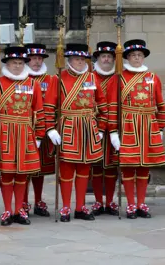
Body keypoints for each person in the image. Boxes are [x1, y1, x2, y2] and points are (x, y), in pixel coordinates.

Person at [44, 43, 107, 222]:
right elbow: (48, 107)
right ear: (69, 60)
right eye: (76, 59)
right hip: (67, 127)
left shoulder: (92, 78)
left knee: (84, 169)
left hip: (88, 127)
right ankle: (65, 207)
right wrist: (50, 129)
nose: (79, 62)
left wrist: (101, 128)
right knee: (66, 169)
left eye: (82, 59)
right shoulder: (57, 79)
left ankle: (80, 207)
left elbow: (103, 105)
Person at [0, 46, 44, 225]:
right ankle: (7, 210)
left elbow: (38, 110)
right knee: (8, 173)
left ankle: (19, 210)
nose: (17, 66)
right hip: (5, 133)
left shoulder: (33, 84)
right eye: (13, 63)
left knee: (22, 174)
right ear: (7, 64)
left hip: (25, 132)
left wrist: (39, 134)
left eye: (20, 62)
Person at [107, 39, 165, 219]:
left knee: (144, 167)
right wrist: (112, 131)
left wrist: (161, 126)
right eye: (133, 55)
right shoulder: (118, 78)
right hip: (128, 126)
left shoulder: (152, 77)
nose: (136, 58)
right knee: (128, 166)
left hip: (148, 125)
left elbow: (160, 104)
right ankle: (131, 205)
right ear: (127, 57)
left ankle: (142, 203)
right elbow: (112, 107)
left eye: (139, 55)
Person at [21, 43, 54, 217]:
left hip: (44, 129)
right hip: (23, 129)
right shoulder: (21, 79)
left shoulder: (50, 80)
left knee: (41, 168)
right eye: (33, 58)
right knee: (24, 168)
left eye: (39, 58)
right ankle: (23, 201)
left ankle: (39, 200)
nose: (36, 62)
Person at [90, 41, 119, 216]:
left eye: (109, 56)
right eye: (103, 56)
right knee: (96, 166)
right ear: (98, 59)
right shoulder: (89, 77)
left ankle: (110, 201)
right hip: (95, 128)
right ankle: (97, 201)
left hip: (115, 129)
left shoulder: (119, 77)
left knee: (111, 167)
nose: (106, 59)